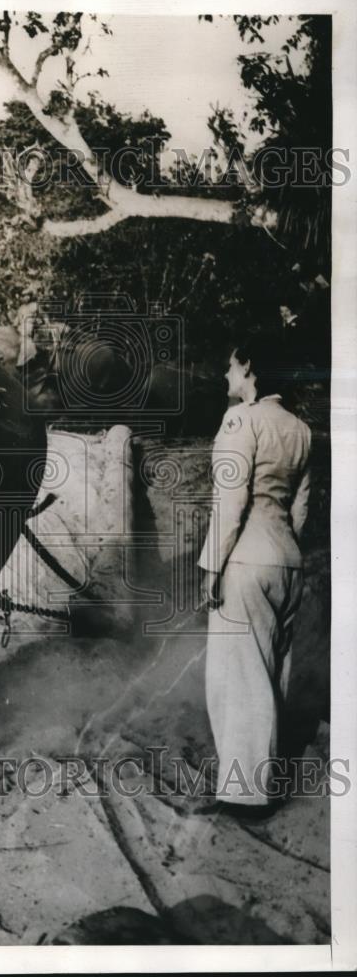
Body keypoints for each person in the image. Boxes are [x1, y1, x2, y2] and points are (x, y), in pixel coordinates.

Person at [196, 333, 312, 820]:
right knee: (270, 675)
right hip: (287, 561)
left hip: (245, 562)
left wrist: (210, 566)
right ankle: (261, 782)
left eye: (230, 366)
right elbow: (302, 507)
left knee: (236, 678)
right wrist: (285, 553)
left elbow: (230, 502)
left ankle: (245, 797)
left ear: (248, 368)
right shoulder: (300, 428)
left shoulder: (240, 419)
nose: (226, 375)